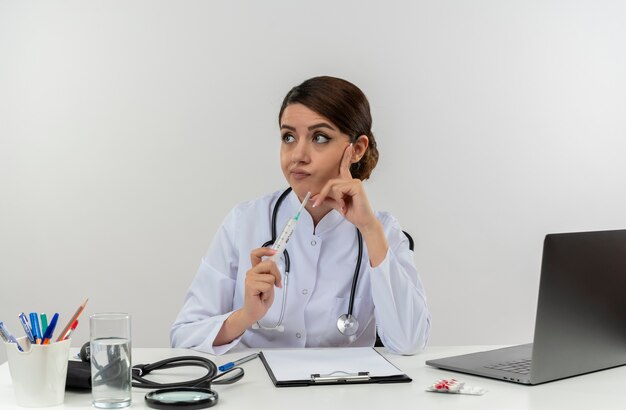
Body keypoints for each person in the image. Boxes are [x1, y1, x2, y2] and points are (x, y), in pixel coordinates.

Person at [170, 76, 430, 355]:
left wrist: (369, 229)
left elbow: (410, 342)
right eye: (288, 137)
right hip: (257, 392)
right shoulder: (244, 221)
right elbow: (184, 335)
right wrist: (245, 315)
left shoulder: (383, 232)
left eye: (320, 137)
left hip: (345, 393)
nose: (298, 155)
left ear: (356, 149)